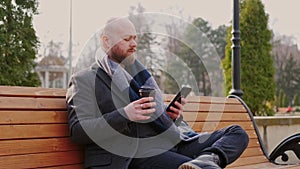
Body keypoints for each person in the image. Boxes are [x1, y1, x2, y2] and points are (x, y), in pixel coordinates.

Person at [66, 17, 249, 169]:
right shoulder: (85, 79)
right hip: (133, 154)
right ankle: (205, 162)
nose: (134, 44)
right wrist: (125, 114)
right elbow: (78, 131)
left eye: (135, 38)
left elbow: (154, 118)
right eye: (127, 39)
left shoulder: (140, 75)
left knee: (237, 133)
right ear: (106, 41)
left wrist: (169, 116)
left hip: (171, 143)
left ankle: (209, 158)